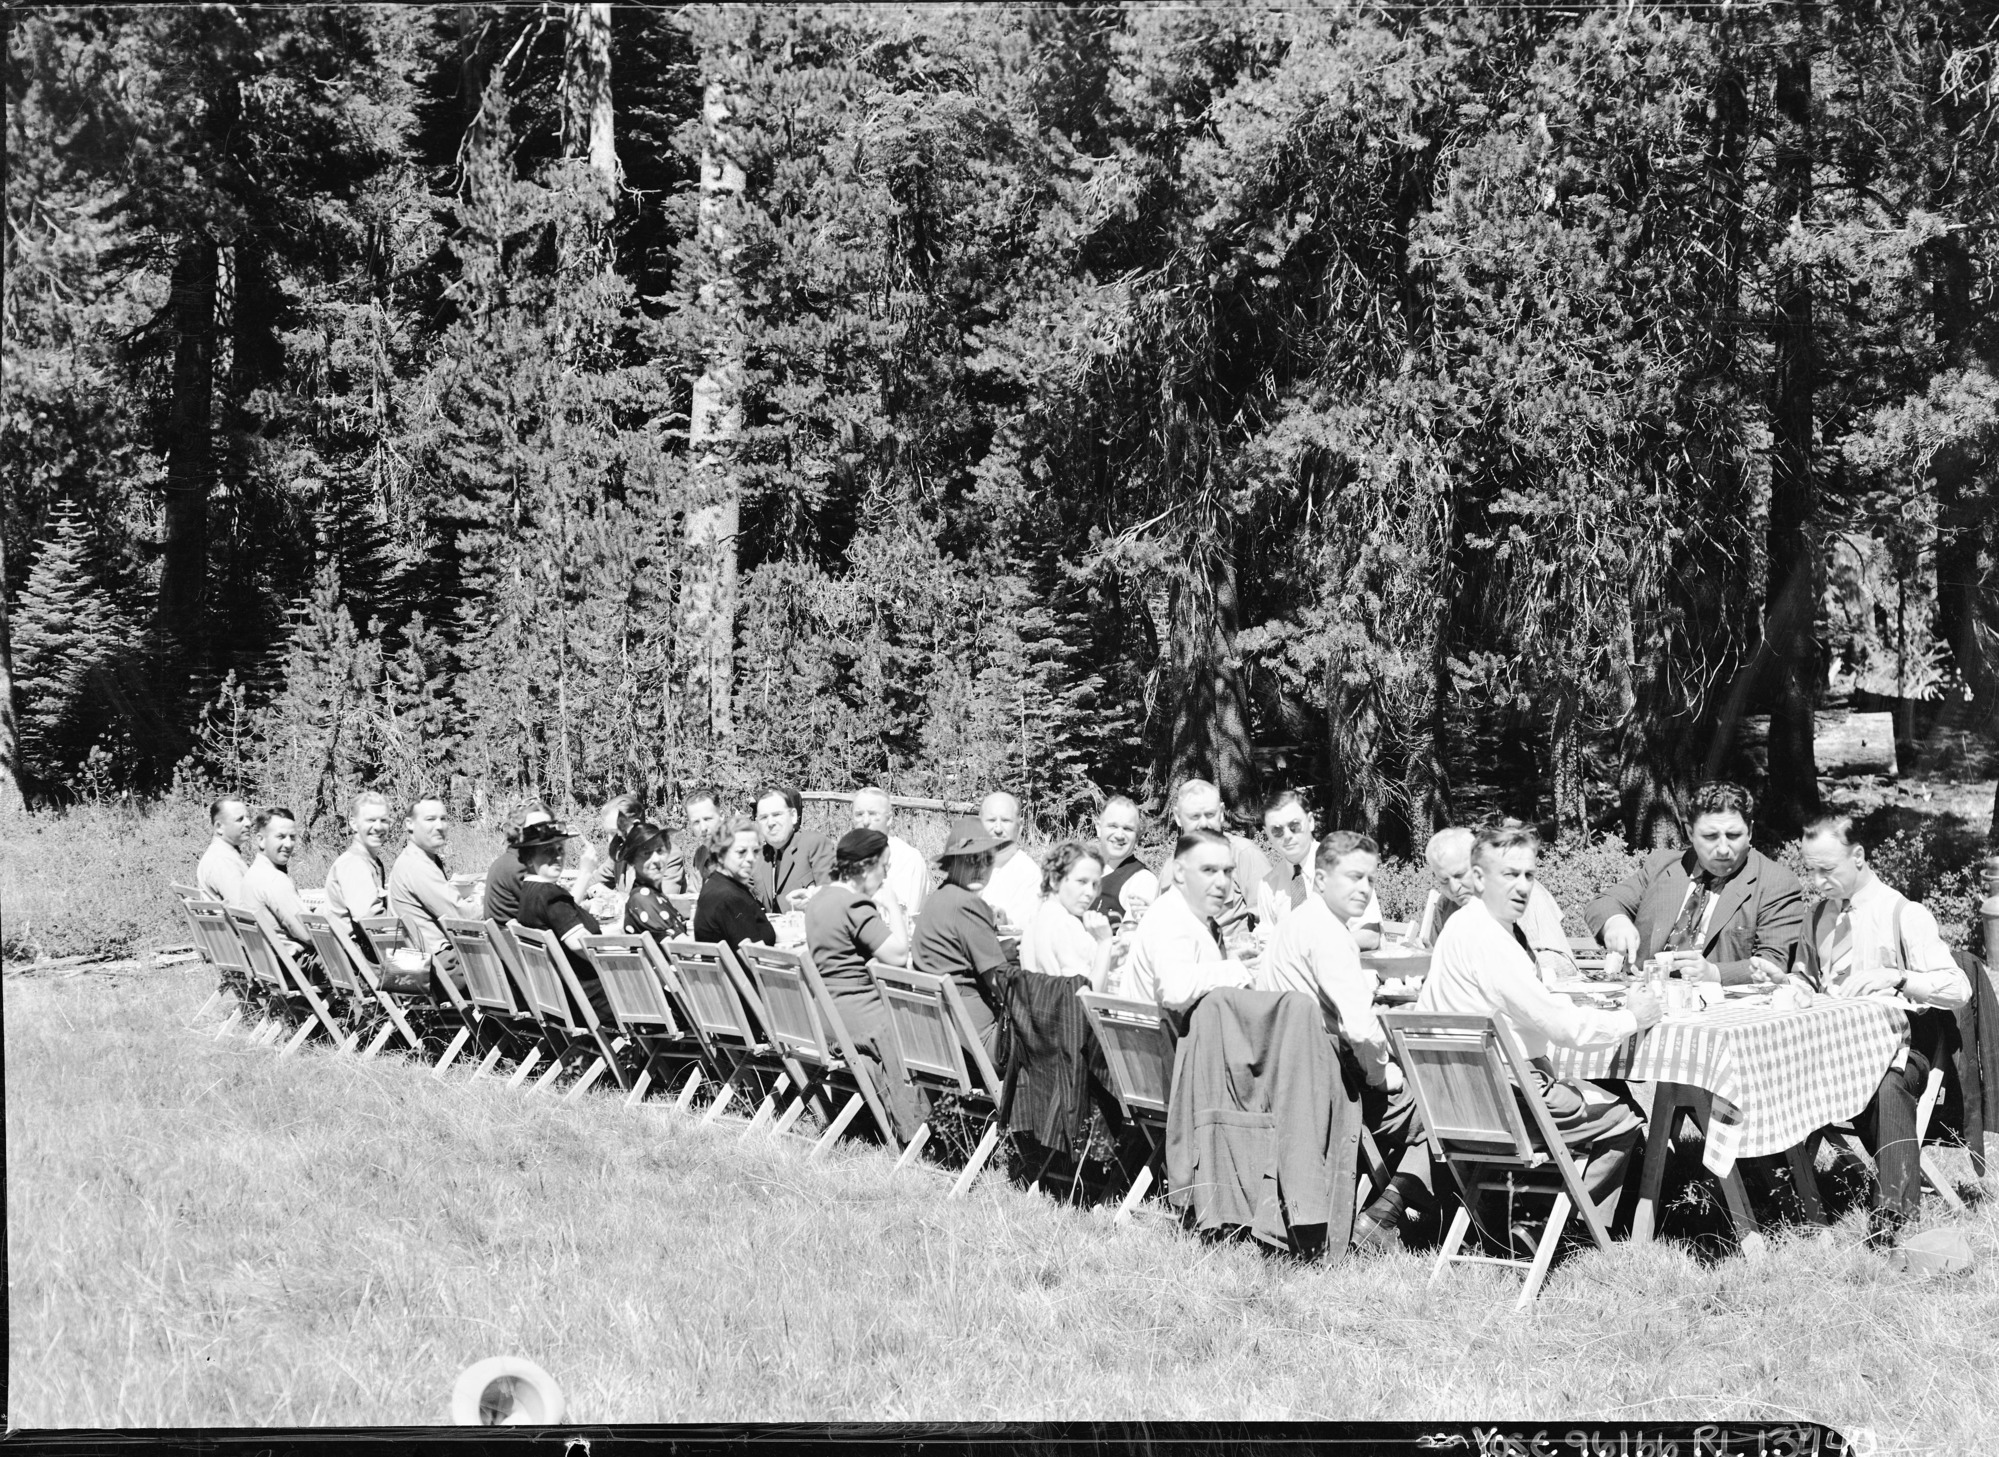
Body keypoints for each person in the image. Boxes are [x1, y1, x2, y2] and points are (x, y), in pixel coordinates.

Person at [1417, 824, 1663, 1227]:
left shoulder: (1457, 930)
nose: (1522, 887)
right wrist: (1633, 1017)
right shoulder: (1492, 940)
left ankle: (1518, 1220)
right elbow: (1565, 1029)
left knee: (1575, 1089)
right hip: (1507, 1106)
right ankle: (1578, 1230)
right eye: (1508, 876)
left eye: (1529, 876)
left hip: (1454, 1107)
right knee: (1625, 1117)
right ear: (1479, 878)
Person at [1789, 814, 1972, 1250]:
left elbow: (1959, 989)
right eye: (1810, 870)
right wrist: (1793, 988)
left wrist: (1899, 977)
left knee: (1889, 1084)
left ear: (1858, 856)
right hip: (1832, 1045)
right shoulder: (1818, 915)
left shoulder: (1903, 914)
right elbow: (1805, 976)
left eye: (1827, 870)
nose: (1817, 881)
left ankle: (1892, 1214)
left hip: (1904, 1045)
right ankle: (1776, 1191)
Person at [1258, 830, 1431, 1251]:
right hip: (1329, 1091)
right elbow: (1361, 1028)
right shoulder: (1331, 935)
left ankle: (1385, 1207)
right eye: (1352, 877)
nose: (1363, 889)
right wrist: (1382, 1076)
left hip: (1287, 1080)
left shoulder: (1294, 925)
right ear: (1319, 881)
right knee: (1439, 1107)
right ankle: (1385, 1214)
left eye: (1370, 880)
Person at [1585, 781, 1804, 985]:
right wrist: (1615, 922)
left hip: (1719, 1012)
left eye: (1734, 835)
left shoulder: (1776, 883)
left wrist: (1714, 974)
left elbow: (1774, 960)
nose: (1723, 849)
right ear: (1690, 832)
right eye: (1710, 836)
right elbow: (1604, 903)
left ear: (1750, 832)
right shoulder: (1662, 866)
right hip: (1643, 996)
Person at [802, 827, 921, 1137]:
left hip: (828, 1018)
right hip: (861, 1018)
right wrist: (893, 903)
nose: (885, 874)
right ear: (867, 866)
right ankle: (918, 1128)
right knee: (920, 1029)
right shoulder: (854, 904)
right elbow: (897, 954)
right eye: (884, 865)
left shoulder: (821, 897)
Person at [1407, 826, 1575, 981]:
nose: (1454, 888)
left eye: (1460, 875)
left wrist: (1509, 958)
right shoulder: (1446, 905)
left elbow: (1566, 966)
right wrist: (1430, 958)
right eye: (1444, 881)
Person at [1124, 829, 1257, 1013]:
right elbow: (1176, 991)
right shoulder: (1170, 917)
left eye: (1227, 871)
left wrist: (1230, 963)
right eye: (1208, 870)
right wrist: (1232, 970)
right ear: (1179, 871)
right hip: (1167, 1039)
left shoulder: (1191, 914)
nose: (1221, 882)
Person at [908, 819, 1010, 1052]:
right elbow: (999, 982)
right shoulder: (969, 905)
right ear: (952, 863)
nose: (981, 869)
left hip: (941, 1042)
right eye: (971, 860)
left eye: (988, 859)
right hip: (980, 1046)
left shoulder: (938, 898)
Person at [512, 820, 612, 1022]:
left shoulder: (530, 892)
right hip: (593, 1001)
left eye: (560, 849)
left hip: (561, 1000)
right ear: (529, 858)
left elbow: (562, 914)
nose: (557, 856)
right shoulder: (549, 895)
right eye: (548, 850)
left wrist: (585, 874)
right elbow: (581, 945)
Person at [1257, 789, 1384, 946]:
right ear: (1267, 834)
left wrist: (1318, 947)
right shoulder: (1269, 884)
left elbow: (1370, 936)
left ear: (1310, 822)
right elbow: (1266, 940)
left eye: (1294, 826)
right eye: (1277, 830)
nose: (1287, 835)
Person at [1158, 778, 1272, 938]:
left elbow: (1270, 923)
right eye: (1194, 816)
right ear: (1178, 817)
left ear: (1221, 813)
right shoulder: (1172, 867)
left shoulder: (1244, 855)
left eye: (1210, 814)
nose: (1204, 823)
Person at [387, 794, 482, 966]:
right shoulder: (418, 865)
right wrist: (497, 902)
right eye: (430, 819)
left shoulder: (412, 859)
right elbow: (464, 917)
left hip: (429, 961)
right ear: (409, 823)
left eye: (443, 819)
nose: (439, 826)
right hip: (438, 966)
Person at [1020, 841, 1127, 992]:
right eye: (1081, 881)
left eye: (1095, 885)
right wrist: (1105, 943)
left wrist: (1111, 956)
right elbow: (1087, 996)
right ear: (1054, 879)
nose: (1090, 893)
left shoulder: (1037, 917)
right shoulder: (1066, 924)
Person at [241, 806, 315, 962]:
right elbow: (309, 934)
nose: (288, 844)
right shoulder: (275, 880)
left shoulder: (251, 875)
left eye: (292, 837)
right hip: (294, 966)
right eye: (280, 837)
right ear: (261, 840)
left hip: (268, 965)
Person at [693, 816, 777, 952]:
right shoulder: (729, 898)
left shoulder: (716, 886)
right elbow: (756, 957)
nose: (751, 858)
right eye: (741, 852)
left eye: (755, 851)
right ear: (720, 855)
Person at [852, 786, 929, 927]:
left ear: (889, 819)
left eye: (873, 814)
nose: (866, 821)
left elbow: (905, 917)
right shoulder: (848, 857)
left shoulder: (908, 858)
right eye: (859, 814)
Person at [752, 783, 835, 914]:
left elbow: (834, 897)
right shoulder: (757, 858)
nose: (770, 823)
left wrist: (813, 900)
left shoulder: (813, 844)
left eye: (777, 814)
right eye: (763, 817)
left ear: (793, 816)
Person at [323, 791, 391, 944]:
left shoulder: (368, 861)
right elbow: (373, 922)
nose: (378, 827)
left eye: (384, 820)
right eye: (371, 820)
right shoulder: (354, 864)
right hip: (360, 959)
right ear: (353, 823)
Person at [976, 790, 1041, 934]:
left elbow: (1030, 934)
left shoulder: (1030, 875)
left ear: (1020, 825)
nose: (998, 829)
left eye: (1005, 821)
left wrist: (1005, 925)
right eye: (991, 820)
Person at [619, 820, 690, 946]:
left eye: (660, 851)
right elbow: (684, 950)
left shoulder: (654, 894)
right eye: (647, 853)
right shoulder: (643, 898)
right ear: (632, 861)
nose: (656, 859)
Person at [1090, 795, 1158, 926]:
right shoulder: (1080, 869)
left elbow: (1128, 941)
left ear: (1137, 836)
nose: (1119, 835)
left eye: (1128, 829)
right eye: (1113, 826)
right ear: (1098, 828)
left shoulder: (1142, 881)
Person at [483, 803, 553, 925]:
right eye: (536, 829)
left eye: (549, 828)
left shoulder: (505, 861)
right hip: (521, 941)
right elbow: (559, 916)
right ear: (520, 832)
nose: (545, 834)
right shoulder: (521, 867)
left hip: (511, 939)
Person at [574, 791, 642, 899]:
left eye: (615, 833)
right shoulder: (618, 856)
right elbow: (594, 882)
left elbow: (662, 904)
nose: (610, 841)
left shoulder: (667, 856)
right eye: (608, 833)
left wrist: (613, 896)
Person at [196, 796, 252, 905]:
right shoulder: (221, 861)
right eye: (240, 819)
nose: (248, 823)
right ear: (219, 827)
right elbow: (244, 908)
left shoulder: (223, 854)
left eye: (247, 817)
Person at [680, 786, 725, 890]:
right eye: (696, 822)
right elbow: (693, 894)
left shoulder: (740, 851)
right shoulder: (700, 854)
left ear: (721, 816)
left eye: (708, 819)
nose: (703, 828)